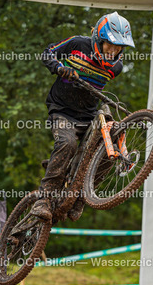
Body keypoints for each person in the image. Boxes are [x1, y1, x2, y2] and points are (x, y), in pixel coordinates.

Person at [30, 11, 135, 222]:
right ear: (98, 39)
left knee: (108, 152)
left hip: (88, 115)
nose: (113, 51)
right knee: (67, 143)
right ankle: (43, 199)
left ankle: (80, 197)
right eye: (110, 45)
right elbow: (48, 52)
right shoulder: (78, 44)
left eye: (118, 47)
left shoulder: (116, 67)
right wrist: (59, 68)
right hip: (62, 110)